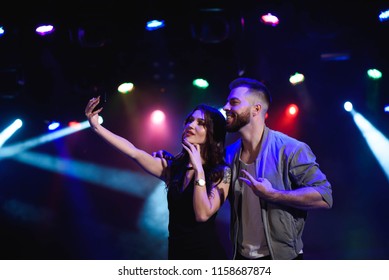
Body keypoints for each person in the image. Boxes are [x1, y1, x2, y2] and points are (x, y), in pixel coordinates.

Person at [85, 96, 231, 260]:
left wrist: (199, 170)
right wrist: (97, 127)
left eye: (201, 123)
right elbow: (134, 152)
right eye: (190, 120)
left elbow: (203, 215)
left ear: (213, 133)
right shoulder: (174, 168)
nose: (191, 125)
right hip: (177, 255)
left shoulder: (222, 172)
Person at [223, 77, 333, 260]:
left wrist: (273, 194)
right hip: (240, 257)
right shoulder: (229, 154)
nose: (226, 107)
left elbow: (324, 196)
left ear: (256, 109)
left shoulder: (290, 148)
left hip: (282, 258)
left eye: (233, 102)